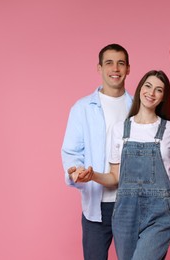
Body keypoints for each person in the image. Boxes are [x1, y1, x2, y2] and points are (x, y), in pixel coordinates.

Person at [71, 70, 170, 260]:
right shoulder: (120, 130)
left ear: (163, 97)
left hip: (160, 213)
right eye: (148, 86)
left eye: (159, 90)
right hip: (125, 214)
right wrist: (93, 176)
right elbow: (115, 178)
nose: (151, 93)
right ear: (140, 88)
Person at [61, 43, 132, 260]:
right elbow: (71, 151)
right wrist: (76, 171)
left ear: (128, 69)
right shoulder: (82, 108)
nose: (115, 69)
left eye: (121, 63)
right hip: (96, 205)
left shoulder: (137, 107)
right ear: (99, 68)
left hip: (131, 204)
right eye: (109, 63)